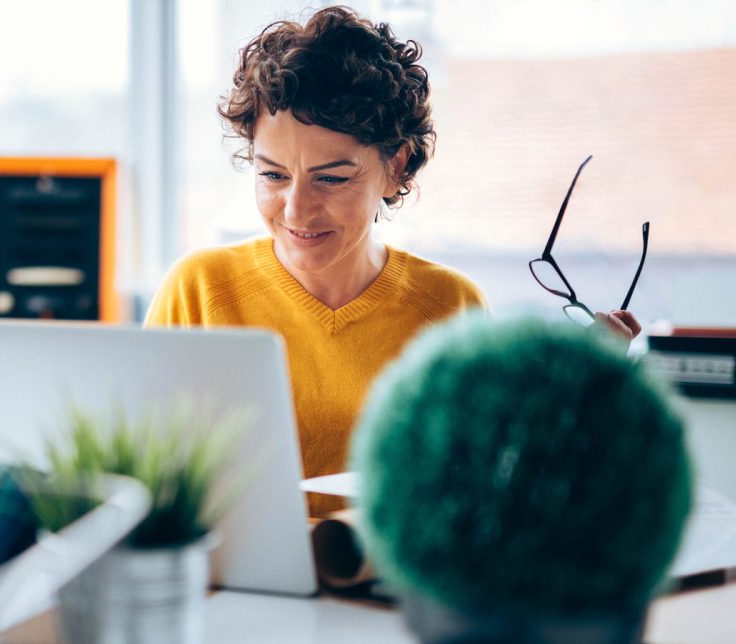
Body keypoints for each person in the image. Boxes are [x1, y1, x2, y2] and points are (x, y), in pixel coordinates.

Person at [143, 6, 640, 517]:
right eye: (272, 175)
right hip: (230, 588)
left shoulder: (449, 307)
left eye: (332, 178)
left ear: (397, 167)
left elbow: (486, 490)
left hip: (385, 592)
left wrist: (582, 389)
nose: (296, 209)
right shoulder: (199, 290)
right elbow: (143, 480)